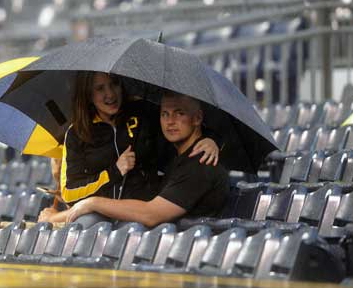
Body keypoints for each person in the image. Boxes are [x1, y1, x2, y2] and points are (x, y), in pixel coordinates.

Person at [38, 72, 220, 225]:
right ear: (88, 94)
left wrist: (212, 140)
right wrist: (114, 172)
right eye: (100, 88)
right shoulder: (77, 133)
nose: (110, 94)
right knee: (88, 224)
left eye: (114, 84)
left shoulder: (143, 112)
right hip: (99, 214)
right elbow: (69, 193)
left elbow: (184, 121)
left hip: (141, 211)